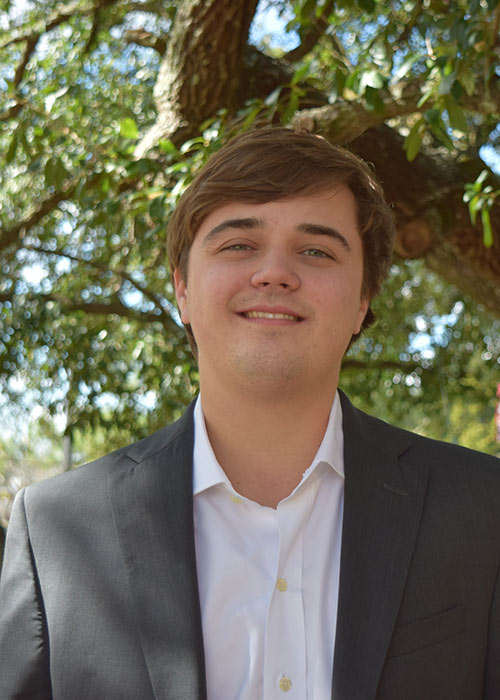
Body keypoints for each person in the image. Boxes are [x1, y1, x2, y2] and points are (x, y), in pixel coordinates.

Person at [0, 127, 499, 700]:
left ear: (364, 300)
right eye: (238, 244)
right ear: (182, 288)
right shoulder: (57, 529)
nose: (274, 273)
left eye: (316, 250)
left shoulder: (484, 510)